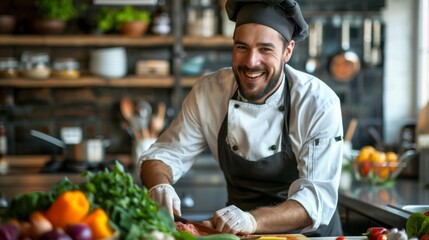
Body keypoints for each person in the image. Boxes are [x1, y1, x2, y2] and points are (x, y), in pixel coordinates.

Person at [139, 0, 344, 237]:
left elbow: (316, 200)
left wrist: (250, 219)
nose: (250, 62)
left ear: (287, 51)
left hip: (306, 236)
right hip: (238, 234)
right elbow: (162, 155)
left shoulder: (317, 102)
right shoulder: (209, 92)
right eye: (242, 47)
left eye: (265, 49)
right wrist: (159, 184)